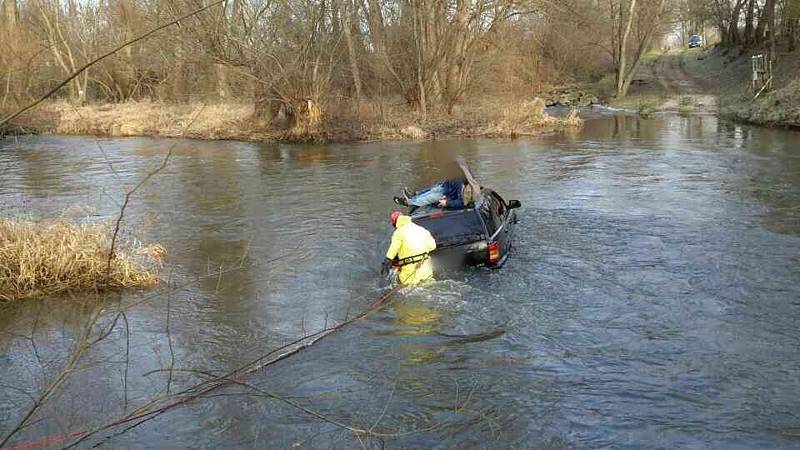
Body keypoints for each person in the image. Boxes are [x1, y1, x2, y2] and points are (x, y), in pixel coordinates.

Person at [381, 211, 437, 286]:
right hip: (425, 268)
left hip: (410, 271)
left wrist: (387, 261)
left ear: (395, 223)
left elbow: (393, 249)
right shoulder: (422, 229)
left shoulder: (399, 232)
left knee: (404, 287)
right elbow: (433, 246)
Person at [394, 178, 474, 209]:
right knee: (433, 189)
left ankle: (409, 203)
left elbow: (460, 202)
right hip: (446, 189)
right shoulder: (454, 175)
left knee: (430, 197)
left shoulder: (460, 184)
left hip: (448, 195)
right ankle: (414, 196)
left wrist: (447, 202)